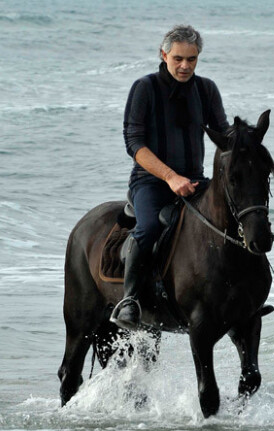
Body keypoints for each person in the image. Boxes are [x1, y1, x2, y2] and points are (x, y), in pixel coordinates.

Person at [112, 24, 229, 330]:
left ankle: (238, 297)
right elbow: (134, 144)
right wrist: (170, 177)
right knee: (149, 227)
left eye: (191, 59)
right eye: (178, 58)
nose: (184, 65)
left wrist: (246, 141)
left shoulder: (206, 89)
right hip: (150, 182)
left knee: (233, 221)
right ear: (163, 54)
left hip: (195, 182)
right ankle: (130, 300)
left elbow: (222, 135)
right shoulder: (145, 88)